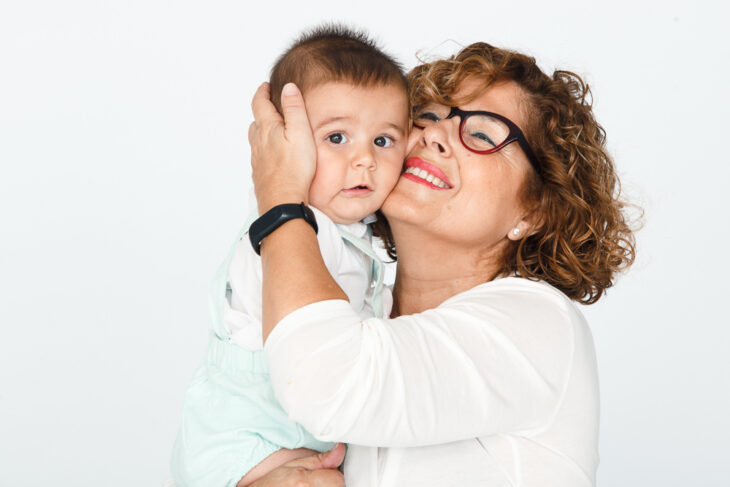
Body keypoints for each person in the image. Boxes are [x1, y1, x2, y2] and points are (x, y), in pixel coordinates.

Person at [244, 41, 636, 487]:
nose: (434, 135)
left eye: (484, 134)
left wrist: (279, 200)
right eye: (426, 117)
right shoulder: (354, 309)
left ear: (534, 211)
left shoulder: (539, 323)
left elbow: (327, 386)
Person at [170, 26, 409, 487]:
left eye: (383, 141)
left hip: (294, 438)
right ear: (288, 142)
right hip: (245, 441)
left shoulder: (353, 233)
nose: (364, 160)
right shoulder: (292, 232)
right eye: (337, 138)